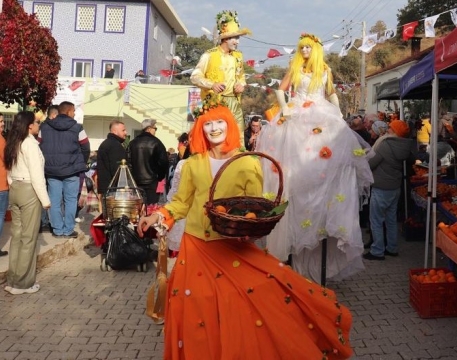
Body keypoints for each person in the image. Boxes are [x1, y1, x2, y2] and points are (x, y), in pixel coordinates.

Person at [137, 101, 353, 359]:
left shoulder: (247, 162)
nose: (214, 128)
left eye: (219, 122)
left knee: (250, 299)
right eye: (207, 124)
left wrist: (247, 228)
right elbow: (181, 202)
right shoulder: (193, 164)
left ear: (229, 125)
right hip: (195, 246)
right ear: (200, 129)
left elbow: (253, 207)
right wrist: (158, 216)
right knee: (195, 306)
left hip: (232, 245)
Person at [256, 33, 373, 283]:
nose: (305, 50)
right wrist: (285, 107)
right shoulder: (295, 68)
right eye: (302, 47)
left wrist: (339, 113)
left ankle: (323, 216)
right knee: (293, 162)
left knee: (331, 159)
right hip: (297, 114)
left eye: (309, 47)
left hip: (321, 114)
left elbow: (330, 94)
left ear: (316, 49)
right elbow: (281, 90)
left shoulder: (325, 70)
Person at [4, 111, 51, 295]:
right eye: (37, 122)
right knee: (29, 238)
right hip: (29, 189)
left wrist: (12, 184)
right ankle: (23, 284)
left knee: (17, 237)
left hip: (15, 188)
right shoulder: (30, 143)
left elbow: (9, 169)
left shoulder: (14, 141)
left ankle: (13, 280)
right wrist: (45, 200)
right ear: (30, 125)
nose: (39, 125)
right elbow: (37, 175)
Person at [191, 9, 250, 145]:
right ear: (225, 39)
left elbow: (241, 78)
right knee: (216, 138)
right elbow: (195, 77)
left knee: (238, 135)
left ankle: (239, 162)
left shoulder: (238, 56)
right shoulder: (209, 55)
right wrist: (212, 85)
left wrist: (241, 85)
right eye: (235, 38)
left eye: (238, 38)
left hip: (234, 101)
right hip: (215, 101)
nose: (237, 42)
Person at [364, 120, 416, 260]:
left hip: (381, 187)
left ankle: (377, 251)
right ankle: (392, 248)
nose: (387, 130)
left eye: (390, 128)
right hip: (395, 187)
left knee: (376, 220)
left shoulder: (386, 144)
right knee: (391, 220)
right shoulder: (405, 146)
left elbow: (371, 163)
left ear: (394, 131)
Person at [38, 101, 90, 239]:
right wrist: (80, 163)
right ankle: (68, 230)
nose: (74, 114)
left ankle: (57, 230)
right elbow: (86, 147)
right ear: (68, 111)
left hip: (51, 171)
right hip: (72, 171)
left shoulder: (44, 127)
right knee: (71, 201)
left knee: (54, 201)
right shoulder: (77, 127)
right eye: (73, 111)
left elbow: (38, 145)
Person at [126, 119, 168, 205]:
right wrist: (160, 176)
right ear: (149, 128)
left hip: (136, 181)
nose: (155, 131)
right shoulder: (156, 142)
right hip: (152, 181)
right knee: (151, 207)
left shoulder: (132, 143)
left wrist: (132, 177)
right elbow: (163, 162)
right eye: (155, 128)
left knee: (137, 207)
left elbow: (128, 162)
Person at [96, 120, 127, 212]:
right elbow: (117, 169)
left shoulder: (108, 143)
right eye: (123, 130)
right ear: (115, 131)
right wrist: (123, 186)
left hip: (108, 186)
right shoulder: (114, 146)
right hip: (114, 188)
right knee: (116, 214)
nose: (126, 133)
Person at [40, 105, 58, 233]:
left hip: (46, 167)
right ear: (53, 115)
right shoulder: (46, 128)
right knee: (50, 196)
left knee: (47, 195)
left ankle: (45, 222)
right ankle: (47, 222)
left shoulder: (43, 128)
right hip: (48, 168)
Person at [0, 114, 7, 256]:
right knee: (0, 215)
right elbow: (7, 159)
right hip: (1, 184)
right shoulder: (1, 140)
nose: (2, 124)